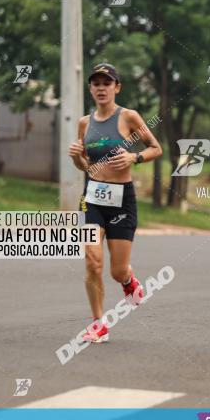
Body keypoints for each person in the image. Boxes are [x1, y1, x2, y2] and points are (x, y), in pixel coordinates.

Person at [67, 63, 163, 343]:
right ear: (90, 88)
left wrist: (135, 157)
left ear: (116, 87)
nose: (101, 88)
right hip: (92, 198)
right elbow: (86, 166)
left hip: (122, 201)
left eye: (106, 83)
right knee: (92, 261)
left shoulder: (129, 117)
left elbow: (156, 148)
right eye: (96, 83)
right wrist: (76, 157)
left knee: (116, 269)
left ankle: (127, 280)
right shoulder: (85, 123)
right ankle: (99, 324)